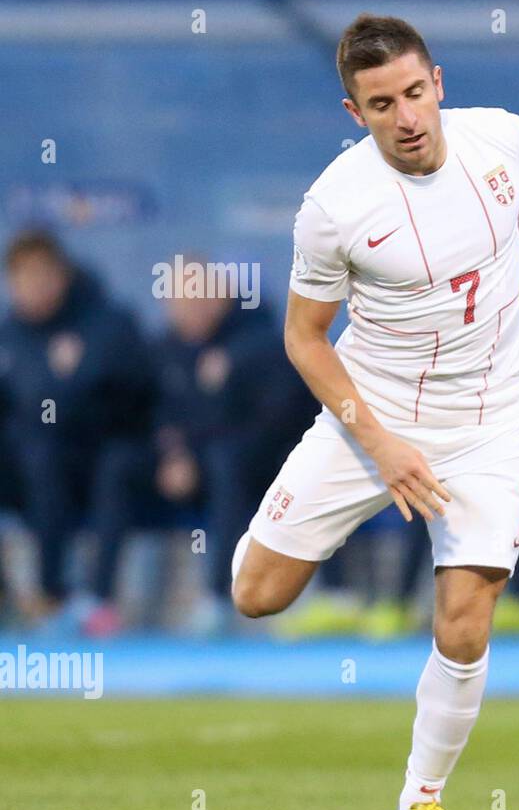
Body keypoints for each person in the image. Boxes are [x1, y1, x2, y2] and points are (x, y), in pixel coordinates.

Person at [228, 14, 519, 810]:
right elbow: (304, 337)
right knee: (257, 596)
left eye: (416, 93)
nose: (407, 116)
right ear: (357, 113)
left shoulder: (504, 140)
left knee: (465, 619)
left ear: (439, 84)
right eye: (382, 104)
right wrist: (381, 445)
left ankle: (420, 803)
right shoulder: (333, 210)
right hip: (371, 418)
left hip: (491, 418)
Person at [0, 229, 154, 635]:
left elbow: (135, 396)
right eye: (23, 278)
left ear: (62, 275)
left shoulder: (106, 323)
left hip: (100, 458)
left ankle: (89, 601)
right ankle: (24, 599)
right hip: (30, 468)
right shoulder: (8, 335)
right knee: (35, 458)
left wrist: (75, 377)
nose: (35, 287)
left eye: (42, 275)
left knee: (107, 467)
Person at [153, 281, 318, 629]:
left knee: (227, 464)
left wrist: (233, 367)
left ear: (221, 298)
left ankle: (219, 597)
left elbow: (281, 417)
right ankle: (89, 605)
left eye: (199, 300)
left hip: (262, 465)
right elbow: (159, 417)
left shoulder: (260, 343)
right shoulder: (166, 350)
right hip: (192, 467)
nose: (192, 311)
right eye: (182, 303)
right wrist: (174, 455)